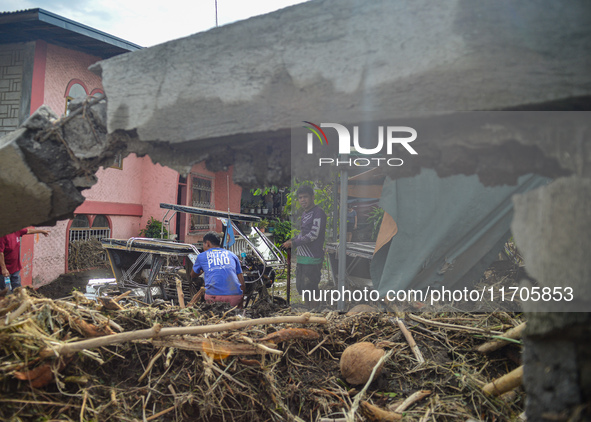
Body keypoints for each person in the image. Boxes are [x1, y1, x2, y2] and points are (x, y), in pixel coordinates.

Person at [282, 185, 327, 304]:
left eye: (305, 197)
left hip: (312, 257)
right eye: (300, 197)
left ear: (312, 197)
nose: (302, 200)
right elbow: (303, 233)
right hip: (302, 258)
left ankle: (315, 310)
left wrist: (295, 243)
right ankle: (308, 308)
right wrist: (291, 241)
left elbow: (313, 234)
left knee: (310, 286)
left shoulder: (318, 213)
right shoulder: (305, 214)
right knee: (301, 287)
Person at [191, 231, 245, 307]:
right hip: (234, 297)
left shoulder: (202, 256)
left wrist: (202, 270)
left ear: (207, 243)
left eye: (203, 245)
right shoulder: (232, 255)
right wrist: (241, 302)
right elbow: (242, 283)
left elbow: (193, 275)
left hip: (213, 297)